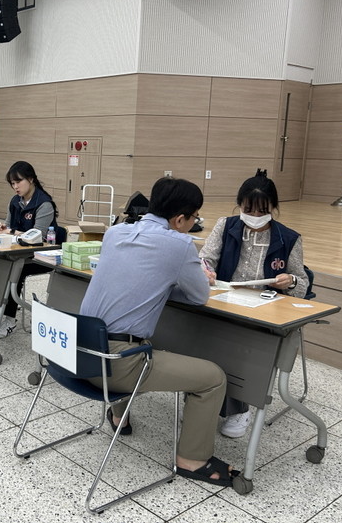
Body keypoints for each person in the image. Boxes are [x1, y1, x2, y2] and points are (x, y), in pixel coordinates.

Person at [80, 177, 239, 487]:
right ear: (180, 219)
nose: (193, 225)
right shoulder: (179, 244)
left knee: (137, 337)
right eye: (194, 218)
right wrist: (193, 276)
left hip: (79, 354)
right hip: (116, 365)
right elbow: (199, 296)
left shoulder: (115, 232)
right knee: (213, 378)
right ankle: (192, 460)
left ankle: (118, 416)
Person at [199, 169, 308, 438]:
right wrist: (206, 271)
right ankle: (203, 397)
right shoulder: (226, 226)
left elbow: (302, 283)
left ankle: (239, 408)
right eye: (249, 210)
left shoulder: (288, 238)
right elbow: (205, 259)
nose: (255, 216)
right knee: (202, 338)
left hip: (265, 310)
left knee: (240, 348)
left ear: (273, 208)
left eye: (262, 211)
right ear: (239, 205)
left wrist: (290, 281)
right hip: (224, 301)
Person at [0, 161, 60, 337]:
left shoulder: (44, 204)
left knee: (13, 269)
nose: (15, 187)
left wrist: (11, 232)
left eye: (18, 182)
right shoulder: (15, 201)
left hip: (39, 256)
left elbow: (37, 236)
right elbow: (8, 226)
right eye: (12, 183)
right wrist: (3, 229)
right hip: (15, 251)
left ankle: (10, 319)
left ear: (31, 179)